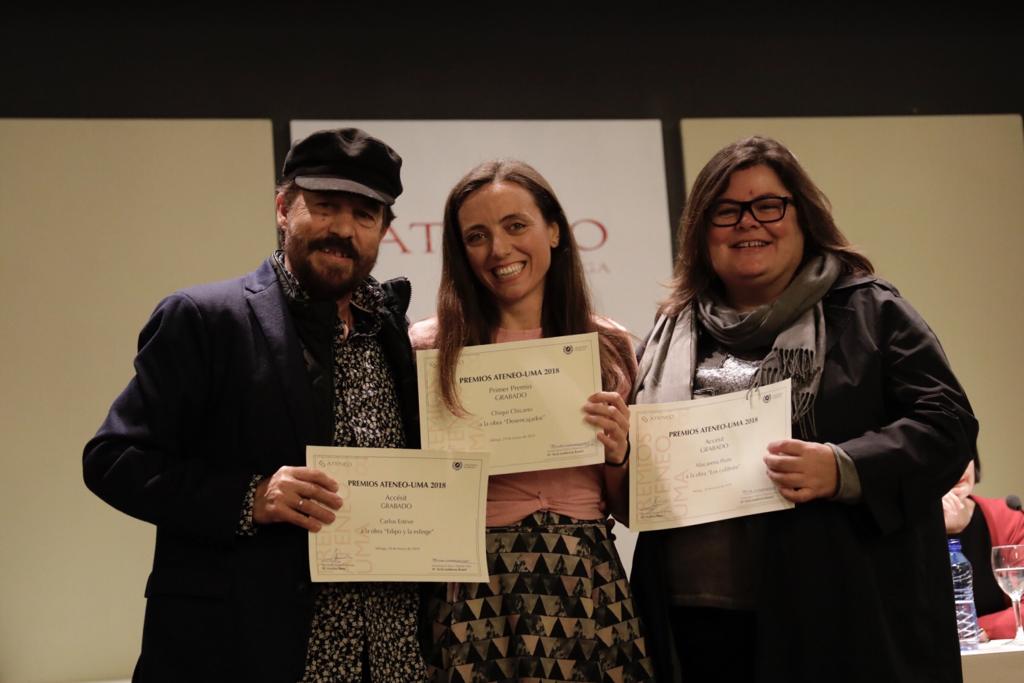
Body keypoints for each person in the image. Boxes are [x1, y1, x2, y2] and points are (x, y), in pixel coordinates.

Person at [83, 128, 428, 682]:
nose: (343, 228)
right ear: (282, 209)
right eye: (325, 206)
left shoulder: (398, 336)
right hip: (245, 650)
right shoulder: (205, 319)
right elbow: (113, 460)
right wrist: (252, 497)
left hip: (390, 652)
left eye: (365, 215)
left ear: (385, 230)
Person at [629, 136, 978, 682]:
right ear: (701, 230)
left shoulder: (871, 311)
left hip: (837, 618)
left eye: (768, 205)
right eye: (726, 211)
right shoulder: (670, 331)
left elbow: (948, 426)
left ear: (802, 216)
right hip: (690, 621)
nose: (749, 223)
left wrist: (844, 467)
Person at [409, 159, 655, 682]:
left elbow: (631, 509)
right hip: (471, 582)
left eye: (515, 226)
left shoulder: (608, 345)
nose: (499, 250)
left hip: (582, 575)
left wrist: (619, 451)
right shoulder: (427, 349)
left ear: (555, 230)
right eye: (477, 236)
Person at [944, 456, 1024, 639]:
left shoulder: (1008, 517)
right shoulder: (902, 529)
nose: (959, 465)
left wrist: (977, 629)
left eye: (965, 454)